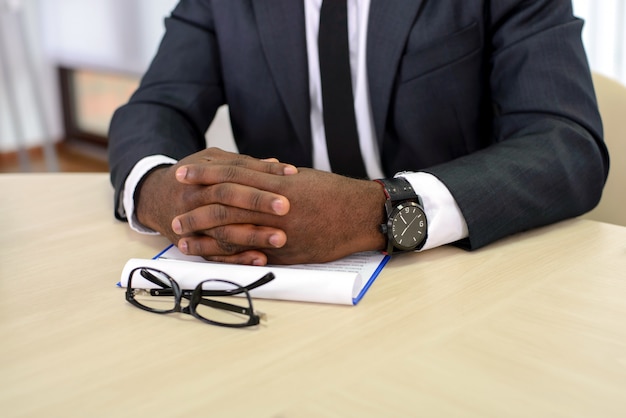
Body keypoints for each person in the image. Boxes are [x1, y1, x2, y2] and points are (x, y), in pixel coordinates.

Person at [108, 0, 609, 266]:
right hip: (281, 286)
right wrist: (159, 189)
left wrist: (381, 210)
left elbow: (565, 141)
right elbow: (157, 105)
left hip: (457, 276)